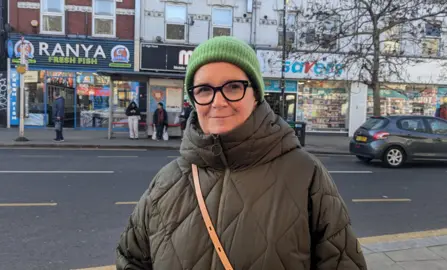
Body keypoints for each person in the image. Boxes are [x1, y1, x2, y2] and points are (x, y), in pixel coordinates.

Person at [116, 36, 366, 269]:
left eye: (233, 87)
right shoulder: (166, 181)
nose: (218, 101)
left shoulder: (306, 174)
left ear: (256, 95)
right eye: (204, 89)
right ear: (192, 100)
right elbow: (131, 259)